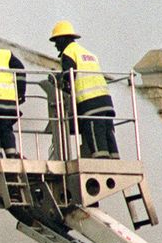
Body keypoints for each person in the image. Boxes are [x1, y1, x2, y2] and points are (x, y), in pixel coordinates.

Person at [49, 21, 118, 158]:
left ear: (63, 39)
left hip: (89, 101)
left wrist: (58, 80)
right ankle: (115, 157)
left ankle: (101, 159)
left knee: (95, 130)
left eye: (56, 41)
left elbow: (69, 78)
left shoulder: (68, 53)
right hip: (105, 100)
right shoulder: (89, 54)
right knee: (107, 130)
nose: (56, 45)